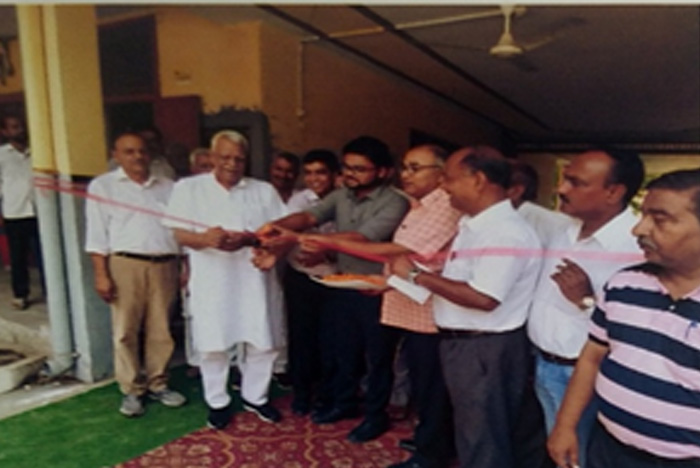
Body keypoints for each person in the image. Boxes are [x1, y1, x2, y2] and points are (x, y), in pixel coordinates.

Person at [390, 146, 542, 468]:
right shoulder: (475, 225)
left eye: (449, 178)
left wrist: (416, 275)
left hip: (484, 348)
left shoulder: (505, 232)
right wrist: (398, 282)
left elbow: (483, 298)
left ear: (478, 180)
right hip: (468, 346)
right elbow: (458, 283)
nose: (443, 186)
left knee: (482, 436)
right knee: (476, 430)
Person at [313, 144, 460, 468]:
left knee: (430, 385)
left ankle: (431, 454)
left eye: (415, 168)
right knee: (421, 381)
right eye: (405, 167)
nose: (406, 174)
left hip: (429, 312)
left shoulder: (445, 206)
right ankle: (430, 439)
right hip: (408, 303)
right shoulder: (419, 205)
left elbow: (401, 250)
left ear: (440, 174)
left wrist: (326, 241)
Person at [259, 135, 410, 443]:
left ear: (383, 172)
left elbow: (361, 239)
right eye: (347, 167)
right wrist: (278, 226)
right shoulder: (342, 195)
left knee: (377, 357)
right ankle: (344, 403)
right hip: (342, 284)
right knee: (342, 350)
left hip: (378, 289)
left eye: (359, 169)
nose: (350, 174)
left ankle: (375, 415)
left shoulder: (395, 201)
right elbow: (308, 216)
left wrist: (299, 238)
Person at [548, 168, 700, 468]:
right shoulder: (624, 285)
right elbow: (592, 357)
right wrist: (564, 426)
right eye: (643, 216)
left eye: (659, 219)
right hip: (610, 450)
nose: (638, 230)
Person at [527, 148, 645, 467]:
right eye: (564, 179)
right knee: (558, 450)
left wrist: (586, 301)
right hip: (543, 363)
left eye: (575, 182)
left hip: (583, 376)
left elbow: (640, 327)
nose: (560, 189)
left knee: (577, 456)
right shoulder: (563, 229)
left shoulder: (637, 247)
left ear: (613, 192)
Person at [163, 130, 287, 430]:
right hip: (212, 279)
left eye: (239, 159)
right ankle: (217, 401)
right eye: (225, 157)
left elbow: (281, 232)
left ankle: (256, 396)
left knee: (262, 339)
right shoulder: (188, 188)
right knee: (213, 342)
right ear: (211, 157)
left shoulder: (263, 190)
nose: (232, 164)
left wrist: (248, 238)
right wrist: (205, 239)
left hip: (255, 276)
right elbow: (178, 233)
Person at [85, 131, 186, 417]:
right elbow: (97, 235)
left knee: (161, 328)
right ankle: (132, 389)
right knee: (125, 330)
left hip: (165, 264)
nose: (138, 156)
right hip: (125, 264)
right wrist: (101, 274)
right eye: (129, 151)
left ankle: (158, 383)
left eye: (142, 151)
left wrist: (185, 266)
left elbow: (181, 230)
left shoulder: (169, 187)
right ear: (116, 155)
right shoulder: (103, 186)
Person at [282, 149, 340, 415]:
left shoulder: (345, 200)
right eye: (309, 173)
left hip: (335, 279)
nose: (314, 179)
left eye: (321, 173)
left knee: (331, 340)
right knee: (301, 337)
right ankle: (302, 393)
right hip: (301, 277)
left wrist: (327, 253)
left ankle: (327, 394)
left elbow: (356, 240)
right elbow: (288, 234)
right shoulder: (298, 201)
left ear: (334, 174)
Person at [0, 113, 43, 310]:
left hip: (40, 211)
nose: (20, 130)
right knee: (18, 257)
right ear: (5, 131)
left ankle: (51, 291)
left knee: (45, 255)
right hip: (15, 212)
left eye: (21, 126)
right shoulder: (2, 155)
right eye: (14, 127)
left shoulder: (38, 152)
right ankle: (21, 294)